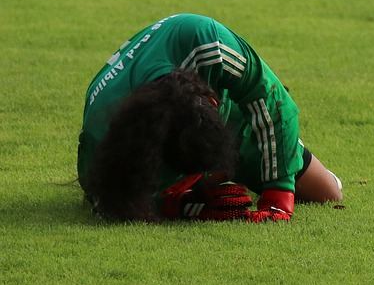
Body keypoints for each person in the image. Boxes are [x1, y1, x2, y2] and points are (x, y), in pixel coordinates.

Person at [78, 13, 342, 222]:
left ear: (214, 102)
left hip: (217, 122)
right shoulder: (104, 131)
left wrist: (279, 193)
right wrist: (184, 206)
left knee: (328, 192)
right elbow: (107, 202)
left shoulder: (204, 39)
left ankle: (232, 170)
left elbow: (271, 98)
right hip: (161, 148)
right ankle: (205, 181)